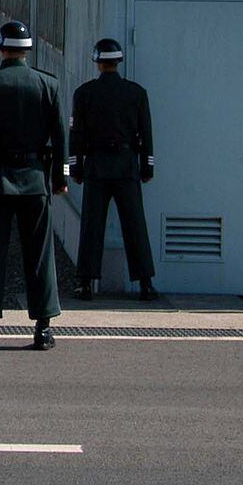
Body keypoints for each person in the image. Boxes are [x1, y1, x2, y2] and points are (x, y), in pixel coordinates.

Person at [0, 20, 67, 351]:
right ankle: (43, 328)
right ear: (28, 50)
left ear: (0, 47)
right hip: (36, 178)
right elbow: (60, 135)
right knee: (40, 255)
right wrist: (60, 177)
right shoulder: (48, 84)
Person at [70, 37, 157, 301]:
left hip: (96, 165)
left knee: (92, 226)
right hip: (126, 166)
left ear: (97, 62)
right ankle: (145, 283)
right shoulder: (136, 93)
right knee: (135, 225)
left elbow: (77, 135)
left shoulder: (84, 93)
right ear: (118, 61)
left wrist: (75, 167)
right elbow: (146, 133)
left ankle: (85, 283)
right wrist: (147, 166)